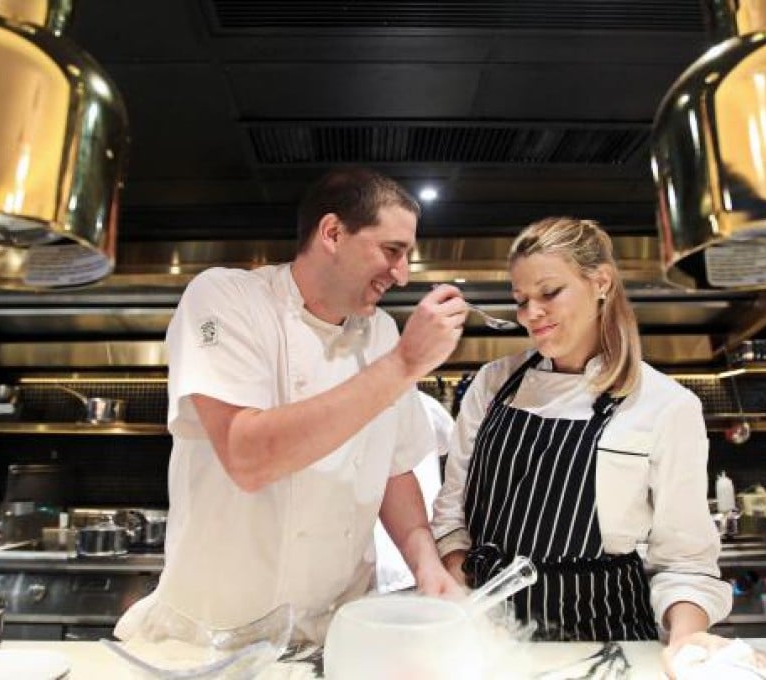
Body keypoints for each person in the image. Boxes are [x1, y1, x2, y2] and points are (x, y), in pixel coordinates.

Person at [115, 166, 467, 643]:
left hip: (332, 634)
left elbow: (394, 469)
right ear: (332, 232)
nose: (402, 275)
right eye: (392, 251)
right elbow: (248, 456)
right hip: (215, 638)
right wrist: (405, 364)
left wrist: (427, 567)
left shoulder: (382, 332)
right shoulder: (226, 298)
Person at [431, 217, 732, 654]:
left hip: (607, 640)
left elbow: (685, 559)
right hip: (490, 641)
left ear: (601, 282)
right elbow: (452, 516)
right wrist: (463, 599)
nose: (532, 314)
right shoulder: (492, 384)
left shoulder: (665, 406)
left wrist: (687, 640)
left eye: (549, 292)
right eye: (520, 300)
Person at [374, 391, 453, 593]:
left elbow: (395, 471)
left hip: (393, 570)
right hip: (286, 590)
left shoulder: (418, 403)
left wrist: (427, 563)